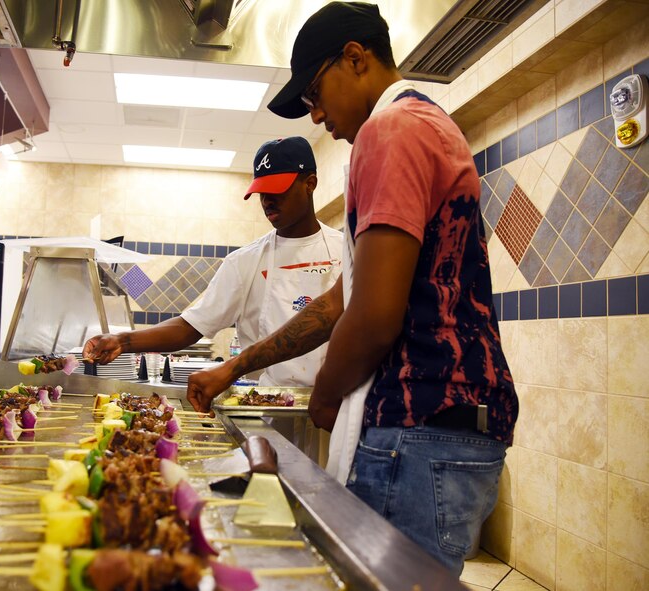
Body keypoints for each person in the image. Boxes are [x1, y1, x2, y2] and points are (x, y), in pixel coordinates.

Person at [185, 1, 517, 575]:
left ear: (356, 59)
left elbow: (374, 314)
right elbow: (338, 304)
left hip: (421, 423)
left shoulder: (390, 130)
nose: (315, 116)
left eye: (314, 95)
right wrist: (234, 369)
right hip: (451, 421)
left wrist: (327, 393)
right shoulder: (424, 125)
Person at [83, 136, 343, 387]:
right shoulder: (244, 261)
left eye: (277, 190)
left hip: (337, 403)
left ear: (310, 184)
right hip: (269, 407)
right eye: (261, 191)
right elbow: (190, 326)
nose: (267, 201)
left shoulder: (346, 251)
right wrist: (123, 341)